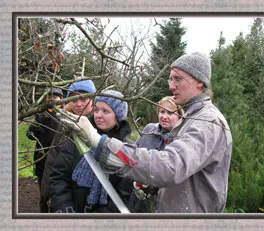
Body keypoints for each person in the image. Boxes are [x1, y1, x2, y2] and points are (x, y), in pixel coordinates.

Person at [57, 52, 233, 213]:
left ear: (199, 82)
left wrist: (100, 142)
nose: (171, 86)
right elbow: (186, 176)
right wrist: (154, 187)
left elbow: (171, 166)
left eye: (178, 79)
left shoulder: (207, 122)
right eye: (170, 79)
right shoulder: (190, 119)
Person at [48, 89, 134, 213]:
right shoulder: (78, 138)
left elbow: (125, 195)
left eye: (105, 111)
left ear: (118, 116)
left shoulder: (126, 150)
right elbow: (59, 176)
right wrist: (64, 207)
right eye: (96, 109)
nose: (98, 115)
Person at [40, 80, 96, 212]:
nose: (78, 104)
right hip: (59, 194)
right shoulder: (65, 123)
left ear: (93, 99)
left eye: (84, 99)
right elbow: (52, 159)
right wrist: (47, 192)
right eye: (74, 99)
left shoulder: (98, 127)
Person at [127, 96, 184, 213]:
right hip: (137, 199)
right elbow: (134, 153)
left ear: (180, 116)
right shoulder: (149, 129)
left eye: (170, 113)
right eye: (162, 111)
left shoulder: (182, 139)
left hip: (163, 204)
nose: (164, 116)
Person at [26, 87, 63, 189]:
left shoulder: (65, 114)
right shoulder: (41, 114)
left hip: (59, 156)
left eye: (55, 96)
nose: (51, 99)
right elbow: (29, 135)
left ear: (61, 98)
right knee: (43, 186)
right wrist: (37, 126)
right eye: (49, 96)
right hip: (42, 156)